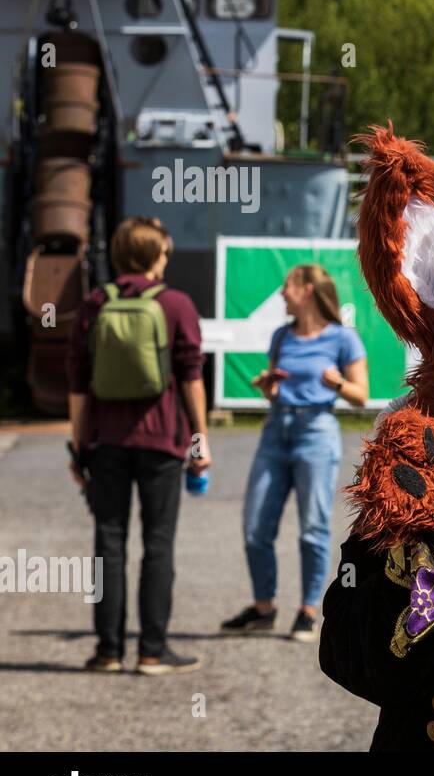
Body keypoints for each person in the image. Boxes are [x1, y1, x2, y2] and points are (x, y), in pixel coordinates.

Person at [67, 217, 209, 675]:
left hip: (106, 442)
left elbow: (78, 384)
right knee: (158, 543)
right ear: (153, 257)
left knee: (107, 544)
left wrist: (78, 447)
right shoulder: (176, 304)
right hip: (162, 441)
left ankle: (107, 651)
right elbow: (190, 377)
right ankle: (152, 650)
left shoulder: (93, 304)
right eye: (164, 253)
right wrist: (198, 439)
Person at [221, 264, 368, 642]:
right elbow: (272, 391)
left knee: (312, 529)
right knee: (255, 526)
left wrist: (336, 383)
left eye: (287, 287)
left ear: (307, 291)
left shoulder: (342, 339)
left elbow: (360, 395)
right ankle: (263, 608)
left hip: (316, 433)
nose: (282, 294)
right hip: (276, 429)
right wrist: (267, 386)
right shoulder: (281, 336)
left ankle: (307, 611)